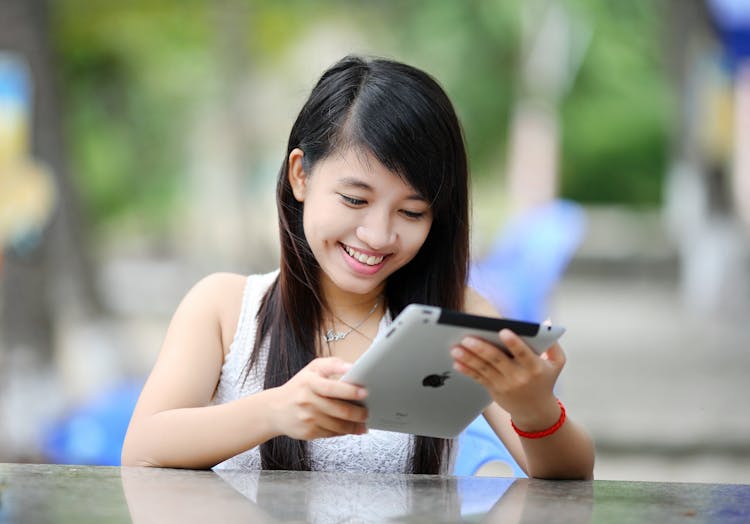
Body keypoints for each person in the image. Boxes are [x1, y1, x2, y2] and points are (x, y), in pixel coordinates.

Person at [121, 55, 595, 479]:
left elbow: (569, 476)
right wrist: (275, 411)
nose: (378, 235)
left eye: (412, 212)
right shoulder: (224, 307)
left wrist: (535, 410)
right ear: (300, 174)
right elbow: (141, 450)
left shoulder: (457, 317)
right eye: (355, 199)